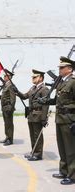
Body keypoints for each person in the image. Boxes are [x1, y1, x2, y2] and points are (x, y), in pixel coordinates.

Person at [40, 56, 75, 185]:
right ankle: (64, 171)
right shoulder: (62, 82)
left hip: (69, 120)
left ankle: (72, 175)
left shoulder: (73, 81)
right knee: (62, 147)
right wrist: (47, 101)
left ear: (70, 69)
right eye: (59, 68)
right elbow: (58, 100)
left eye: (62, 67)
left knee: (70, 149)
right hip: (60, 119)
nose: (59, 70)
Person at [15, 69, 49, 161]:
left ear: (41, 78)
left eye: (35, 77)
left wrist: (44, 118)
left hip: (38, 115)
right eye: (32, 77)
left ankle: (38, 154)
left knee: (37, 135)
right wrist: (17, 92)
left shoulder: (44, 89)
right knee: (32, 135)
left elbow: (46, 105)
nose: (33, 78)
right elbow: (25, 96)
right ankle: (34, 151)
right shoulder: (33, 88)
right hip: (31, 115)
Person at [0, 69, 16, 146]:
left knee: (9, 123)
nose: (4, 77)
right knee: (6, 123)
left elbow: (13, 98)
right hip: (4, 107)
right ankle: (7, 137)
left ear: (9, 77)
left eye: (5, 76)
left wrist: (11, 107)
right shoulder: (6, 85)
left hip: (8, 107)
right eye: (4, 76)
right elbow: (4, 97)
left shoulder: (10, 85)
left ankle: (10, 139)